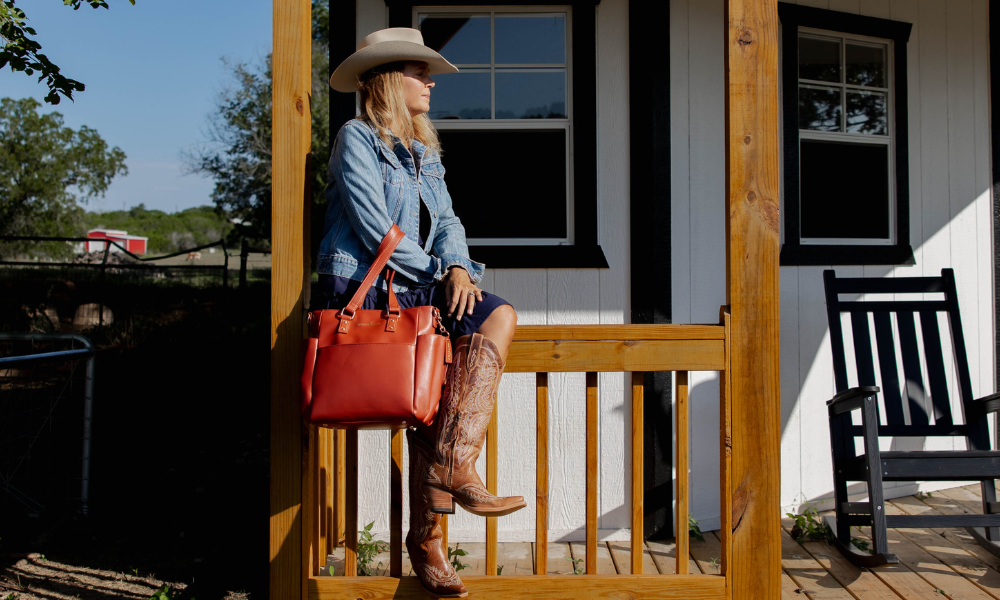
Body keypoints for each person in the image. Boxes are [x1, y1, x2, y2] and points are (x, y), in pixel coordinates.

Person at [319, 27, 525, 598]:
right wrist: (439, 272)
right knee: (429, 399)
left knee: (495, 316)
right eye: (418, 71)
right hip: (367, 284)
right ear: (387, 79)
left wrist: (459, 268)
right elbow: (371, 226)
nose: (430, 81)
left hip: (423, 280)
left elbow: (450, 222)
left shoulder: (423, 152)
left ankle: (450, 475)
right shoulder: (356, 138)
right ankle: (430, 537)